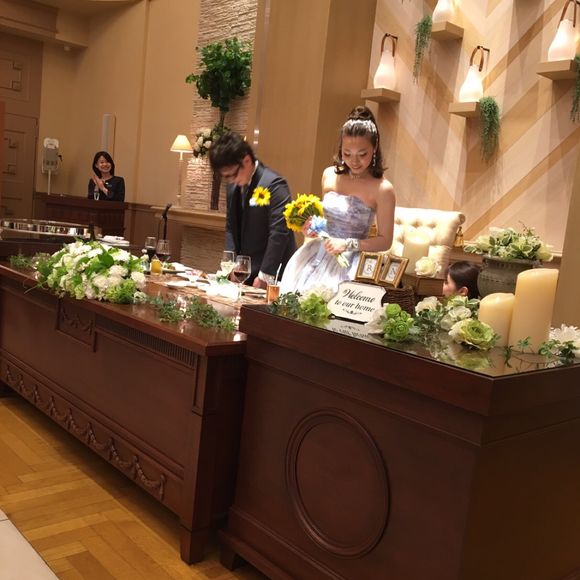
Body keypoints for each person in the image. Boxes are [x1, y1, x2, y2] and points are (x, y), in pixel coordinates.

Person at [280, 105, 396, 294]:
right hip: (317, 254)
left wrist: (348, 244)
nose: (354, 161)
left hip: (351, 262)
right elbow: (326, 220)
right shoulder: (329, 175)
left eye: (362, 154)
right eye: (347, 153)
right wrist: (312, 227)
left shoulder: (383, 189)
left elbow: (385, 241)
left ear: (374, 148)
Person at [209, 132, 297, 288]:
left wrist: (265, 275)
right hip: (244, 273)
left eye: (232, 174)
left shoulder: (274, 184)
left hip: (272, 274)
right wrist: (232, 265)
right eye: (226, 177)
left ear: (247, 160)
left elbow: (279, 233)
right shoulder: (233, 186)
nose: (231, 180)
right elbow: (231, 227)